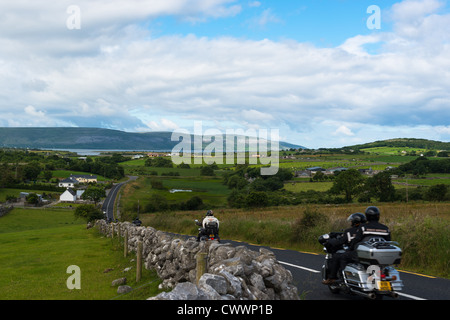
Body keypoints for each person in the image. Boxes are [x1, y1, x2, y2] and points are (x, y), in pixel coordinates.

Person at [322, 212, 367, 285]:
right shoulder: (367, 230)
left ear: (355, 222)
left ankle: (333, 278)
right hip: (365, 253)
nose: (351, 222)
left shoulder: (349, 231)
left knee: (337, 256)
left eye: (352, 221)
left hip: (354, 252)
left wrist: (330, 241)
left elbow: (340, 241)